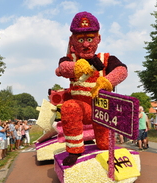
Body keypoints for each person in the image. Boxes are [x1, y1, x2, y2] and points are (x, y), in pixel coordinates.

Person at [55, 11, 128, 166]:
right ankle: (74, 150)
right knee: (70, 108)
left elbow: (122, 71)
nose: (86, 45)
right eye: (81, 39)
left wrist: (107, 81)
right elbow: (62, 68)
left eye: (90, 39)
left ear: (98, 39)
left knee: (104, 144)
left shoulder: (106, 59)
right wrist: (75, 67)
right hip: (83, 108)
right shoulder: (71, 59)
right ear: (72, 41)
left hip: (102, 111)